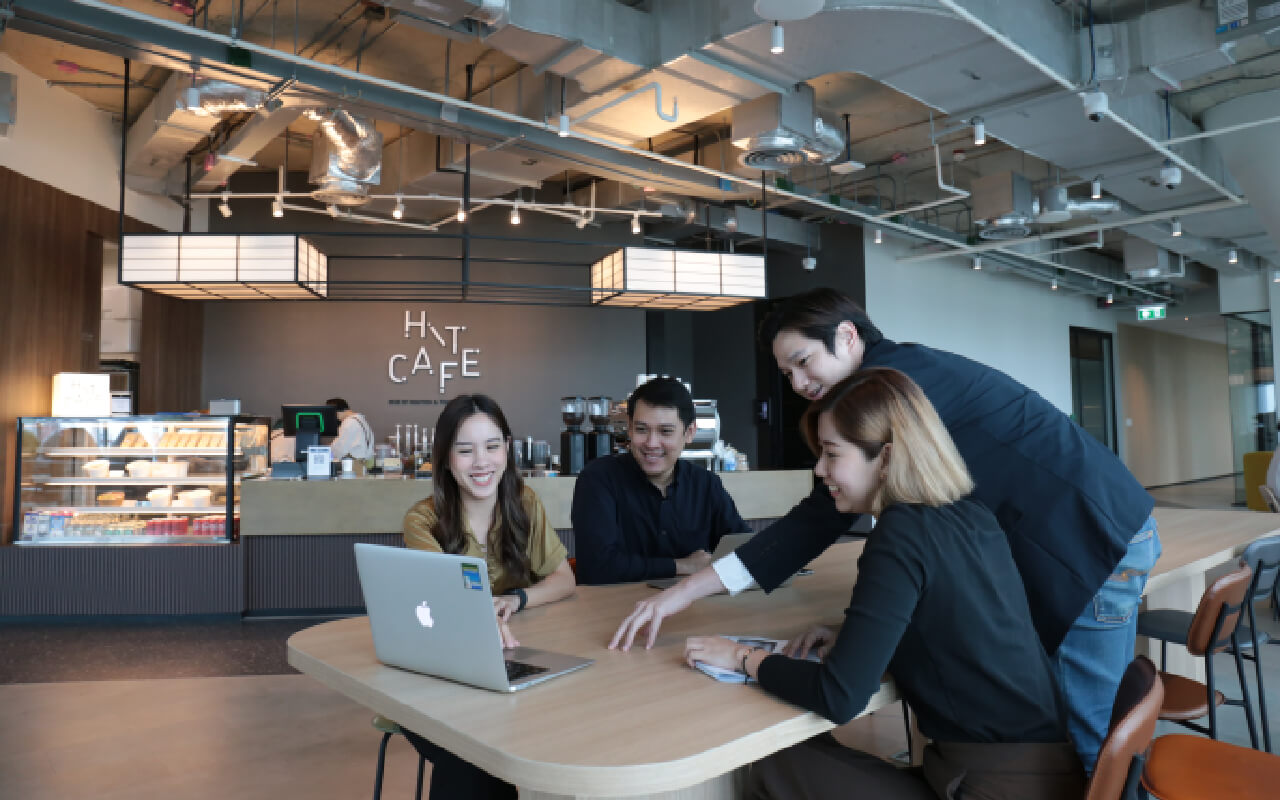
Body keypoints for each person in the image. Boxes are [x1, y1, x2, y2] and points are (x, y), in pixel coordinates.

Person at [613, 288, 1159, 773]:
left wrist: (690, 591)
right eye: (786, 373)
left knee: (1091, 748)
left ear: (848, 337)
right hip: (1083, 531)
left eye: (803, 362)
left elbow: (820, 516)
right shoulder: (898, 380)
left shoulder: (898, 389)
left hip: (1089, 538)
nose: (798, 383)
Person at [685, 368, 1084, 799]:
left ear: (887, 457)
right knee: (805, 757)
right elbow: (955, 620)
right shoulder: (970, 513)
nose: (819, 469)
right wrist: (854, 636)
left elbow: (840, 697)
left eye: (831, 454)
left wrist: (743, 657)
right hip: (1048, 774)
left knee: (772, 763)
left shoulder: (901, 532)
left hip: (990, 786)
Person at [400, 394, 576, 799]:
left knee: (495, 744)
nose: (482, 462)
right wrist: (482, 620)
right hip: (438, 674)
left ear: (507, 448)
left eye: (492, 446)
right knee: (469, 751)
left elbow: (564, 579)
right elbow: (445, 600)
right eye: (465, 450)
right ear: (446, 459)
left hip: (510, 665)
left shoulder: (525, 503)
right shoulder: (422, 520)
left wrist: (518, 599)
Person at [572, 376, 750, 584]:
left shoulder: (706, 484)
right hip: (617, 603)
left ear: (689, 432)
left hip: (692, 602)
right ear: (629, 428)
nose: (652, 443)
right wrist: (682, 566)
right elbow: (596, 567)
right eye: (641, 429)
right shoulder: (598, 479)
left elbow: (745, 547)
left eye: (665, 431)